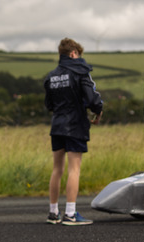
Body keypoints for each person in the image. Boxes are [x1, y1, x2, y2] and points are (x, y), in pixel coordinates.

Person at [44, 38, 104, 226]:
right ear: (73, 53)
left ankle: (53, 212)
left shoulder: (50, 76)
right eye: (79, 54)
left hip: (57, 125)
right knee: (74, 169)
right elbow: (92, 98)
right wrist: (98, 110)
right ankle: (70, 213)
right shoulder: (81, 72)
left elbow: (49, 105)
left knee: (57, 169)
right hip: (76, 124)